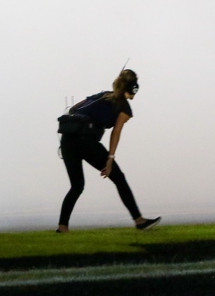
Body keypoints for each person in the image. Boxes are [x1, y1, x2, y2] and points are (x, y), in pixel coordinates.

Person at [57, 69, 161, 233]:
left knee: (76, 186)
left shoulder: (103, 94)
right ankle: (139, 221)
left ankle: (62, 227)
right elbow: (116, 132)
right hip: (86, 141)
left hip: (67, 140)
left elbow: (74, 108)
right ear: (134, 88)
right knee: (119, 178)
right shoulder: (124, 107)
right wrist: (110, 159)